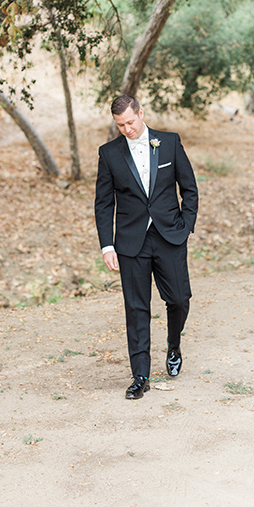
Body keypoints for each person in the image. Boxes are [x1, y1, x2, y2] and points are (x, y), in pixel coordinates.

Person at [94, 94, 198, 399]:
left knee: (179, 299)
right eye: (120, 125)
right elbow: (103, 204)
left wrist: (185, 227)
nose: (127, 129)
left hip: (170, 236)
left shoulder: (169, 142)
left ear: (141, 113)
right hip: (130, 242)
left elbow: (189, 188)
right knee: (136, 308)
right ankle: (140, 375)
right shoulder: (109, 153)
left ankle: (174, 344)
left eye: (130, 122)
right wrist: (106, 246)